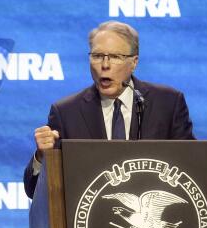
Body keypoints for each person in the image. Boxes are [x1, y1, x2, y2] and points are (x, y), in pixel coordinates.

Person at [23, 21, 195, 198]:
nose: (105, 65)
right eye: (97, 56)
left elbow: (192, 170)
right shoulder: (66, 113)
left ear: (134, 62)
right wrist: (41, 156)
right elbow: (34, 191)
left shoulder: (167, 104)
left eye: (115, 57)